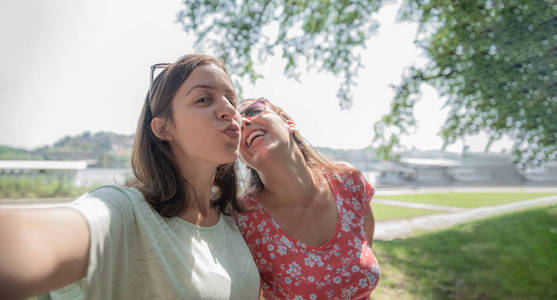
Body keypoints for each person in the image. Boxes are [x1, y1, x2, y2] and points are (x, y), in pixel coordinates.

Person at [0, 54, 260, 300]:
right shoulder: (125, 212)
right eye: (203, 99)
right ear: (163, 128)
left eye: (231, 99)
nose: (228, 109)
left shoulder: (233, 218)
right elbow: (29, 241)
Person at [234, 97, 380, 299]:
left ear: (289, 123)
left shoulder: (350, 182)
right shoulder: (242, 219)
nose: (243, 122)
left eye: (253, 110)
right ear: (244, 159)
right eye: (236, 126)